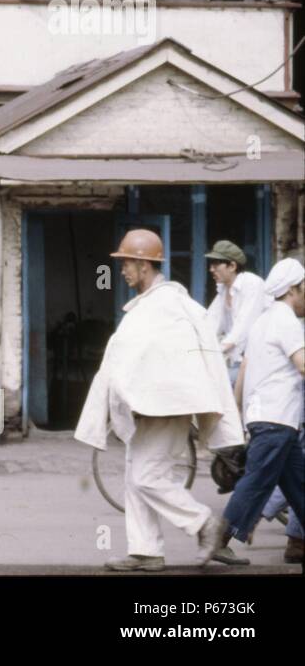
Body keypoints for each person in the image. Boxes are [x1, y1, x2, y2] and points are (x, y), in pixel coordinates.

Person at [74, 229, 243, 571]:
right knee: (133, 474)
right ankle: (145, 549)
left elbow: (172, 361)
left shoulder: (164, 305)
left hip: (167, 409)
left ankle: (203, 522)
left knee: (146, 477)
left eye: (126, 264)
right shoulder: (156, 305)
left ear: (143, 265)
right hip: (153, 408)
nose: (122, 271)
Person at [208, 258, 305, 564]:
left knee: (300, 485)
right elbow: (303, 364)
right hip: (277, 418)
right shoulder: (286, 320)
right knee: (257, 479)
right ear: (293, 290)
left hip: (272, 419)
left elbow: (246, 368)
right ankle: (219, 540)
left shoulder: (263, 321)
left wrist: (238, 411)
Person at [203, 240, 268, 386]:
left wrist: (215, 350)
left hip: (260, 361)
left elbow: (242, 328)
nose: (211, 269)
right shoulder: (223, 289)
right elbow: (209, 324)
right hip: (238, 361)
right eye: (211, 264)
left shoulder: (252, 284)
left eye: (216, 264)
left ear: (232, 266)